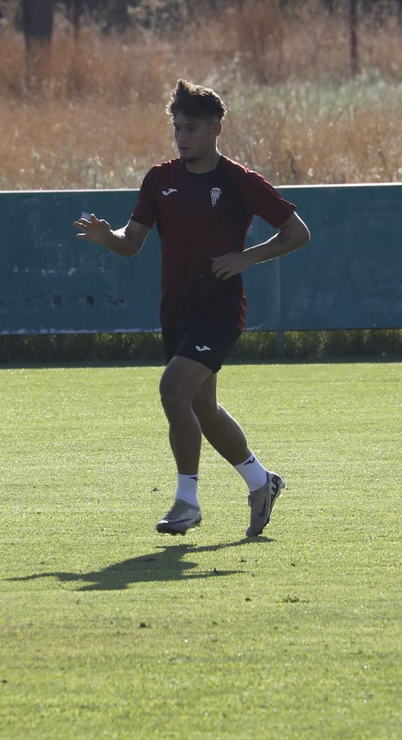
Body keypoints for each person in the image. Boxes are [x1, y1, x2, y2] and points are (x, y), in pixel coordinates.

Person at [76, 80, 310, 537]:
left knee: (172, 391)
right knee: (203, 407)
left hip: (220, 308)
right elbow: (133, 243)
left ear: (216, 129)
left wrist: (247, 257)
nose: (182, 136)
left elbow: (297, 232)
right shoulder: (159, 180)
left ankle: (187, 502)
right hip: (177, 312)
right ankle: (261, 482)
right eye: (177, 127)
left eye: (192, 127)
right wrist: (109, 239)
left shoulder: (241, 182)